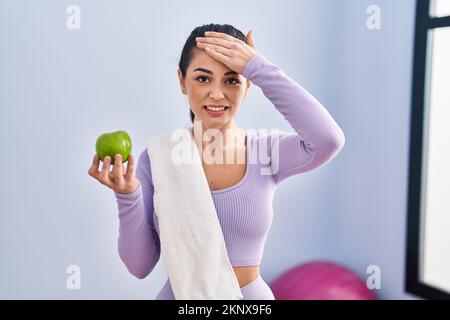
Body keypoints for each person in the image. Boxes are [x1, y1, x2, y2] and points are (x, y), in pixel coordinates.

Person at [88, 23, 345, 300]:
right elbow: (139, 266)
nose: (217, 93)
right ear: (181, 81)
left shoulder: (266, 151)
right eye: (203, 78)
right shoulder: (159, 159)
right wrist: (127, 196)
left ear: (248, 86)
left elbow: (328, 140)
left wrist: (258, 68)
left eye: (232, 80)